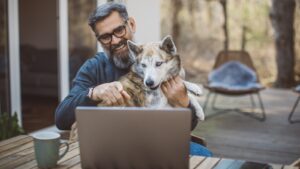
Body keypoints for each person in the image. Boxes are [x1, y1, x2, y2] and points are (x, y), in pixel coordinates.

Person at [55, 2, 212, 157]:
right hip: (109, 146)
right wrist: (93, 92)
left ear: (131, 24)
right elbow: (61, 119)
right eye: (105, 37)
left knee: (203, 154)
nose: (115, 40)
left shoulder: (158, 62)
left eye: (119, 30)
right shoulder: (94, 67)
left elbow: (188, 126)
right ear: (99, 40)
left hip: (158, 143)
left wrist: (184, 102)